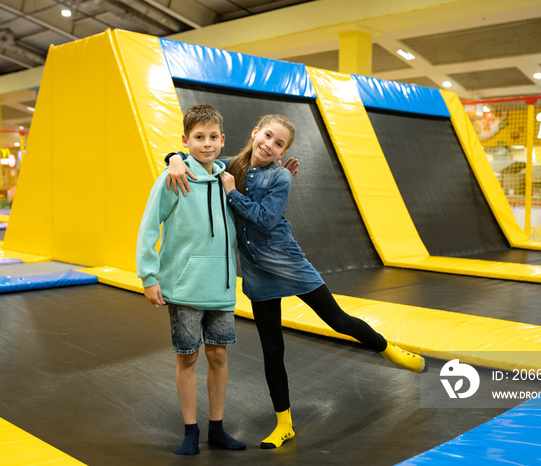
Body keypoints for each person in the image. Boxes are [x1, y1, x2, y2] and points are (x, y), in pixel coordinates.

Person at [166, 114, 426, 450]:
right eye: (268, 137)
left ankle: (390, 351)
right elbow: (198, 157)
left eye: (279, 144)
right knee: (272, 351)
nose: (269, 146)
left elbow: (262, 220)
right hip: (257, 272)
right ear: (255, 131)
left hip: (288, 263)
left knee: (339, 321)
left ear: (283, 151)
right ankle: (284, 423)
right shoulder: (229, 166)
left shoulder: (277, 178)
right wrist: (173, 158)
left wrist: (232, 193)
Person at [136, 104, 246, 455]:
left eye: (213, 137)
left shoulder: (228, 178)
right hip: (184, 287)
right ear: (186, 141)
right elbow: (149, 225)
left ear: (222, 139)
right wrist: (149, 276)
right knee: (188, 358)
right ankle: (189, 430)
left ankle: (217, 427)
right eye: (199, 138)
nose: (207, 144)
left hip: (222, 287)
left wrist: (285, 170)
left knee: (219, 357)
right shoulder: (174, 176)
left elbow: (260, 158)